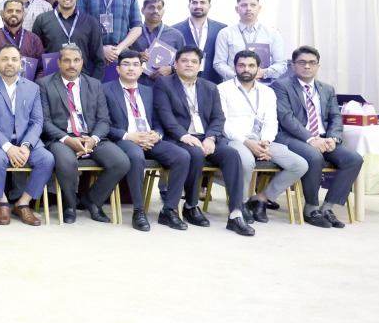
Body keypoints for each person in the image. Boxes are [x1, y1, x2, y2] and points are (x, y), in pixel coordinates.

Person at [153, 46, 251, 236]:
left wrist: (211, 138)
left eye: (194, 61)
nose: (189, 64)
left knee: (232, 154)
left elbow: (218, 118)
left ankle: (236, 214)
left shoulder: (210, 87)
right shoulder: (164, 84)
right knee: (195, 154)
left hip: (206, 137)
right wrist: (185, 136)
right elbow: (165, 116)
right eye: (184, 61)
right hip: (179, 138)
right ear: (175, 64)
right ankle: (190, 205)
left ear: (200, 66)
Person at [103, 50, 197, 231]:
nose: (131, 68)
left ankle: (169, 211)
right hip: (124, 139)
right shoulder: (105, 89)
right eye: (126, 64)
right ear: (118, 68)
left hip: (149, 138)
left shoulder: (150, 91)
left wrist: (157, 134)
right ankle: (139, 211)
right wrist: (128, 136)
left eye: (136, 65)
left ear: (141, 69)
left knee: (182, 156)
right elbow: (103, 123)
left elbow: (158, 120)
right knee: (136, 156)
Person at [273, 45, 363, 228]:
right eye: (302, 62)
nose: (307, 66)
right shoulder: (281, 86)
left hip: (323, 138)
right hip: (293, 137)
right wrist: (310, 139)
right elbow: (286, 118)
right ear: (293, 66)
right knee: (314, 157)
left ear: (318, 66)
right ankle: (311, 209)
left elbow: (335, 116)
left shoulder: (327, 89)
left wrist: (333, 138)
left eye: (312, 63)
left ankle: (327, 207)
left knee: (353, 159)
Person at [38, 44, 128, 224]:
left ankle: (93, 201)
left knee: (121, 162)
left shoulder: (94, 84)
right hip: (61, 138)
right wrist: (68, 139)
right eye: (67, 60)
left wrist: (93, 139)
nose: (72, 65)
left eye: (76, 60)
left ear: (82, 62)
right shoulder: (44, 84)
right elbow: (44, 121)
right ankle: (70, 205)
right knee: (66, 161)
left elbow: (104, 119)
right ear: (59, 62)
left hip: (91, 137)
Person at [218, 50, 307, 227]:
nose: (246, 69)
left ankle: (260, 199)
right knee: (246, 161)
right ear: (235, 67)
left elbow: (271, 122)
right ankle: (240, 204)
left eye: (251, 65)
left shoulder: (267, 92)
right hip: (235, 139)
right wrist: (247, 143)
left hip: (262, 141)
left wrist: (265, 141)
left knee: (299, 165)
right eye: (241, 65)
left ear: (258, 69)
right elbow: (222, 123)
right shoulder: (222, 89)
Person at [0, 45, 52, 226]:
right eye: (5, 59)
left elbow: (37, 121)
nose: (10, 63)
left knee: (47, 159)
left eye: (14, 59)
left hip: (25, 140)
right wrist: (8, 147)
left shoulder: (32, 88)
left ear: (20, 64)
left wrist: (26, 145)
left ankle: (22, 203)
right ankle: (2, 201)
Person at [32, 0, 105, 80]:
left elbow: (99, 60)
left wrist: (92, 86)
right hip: (51, 83)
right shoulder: (42, 20)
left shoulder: (90, 22)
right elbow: (36, 56)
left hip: (82, 82)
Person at [213, 0, 288, 82]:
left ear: (259, 8)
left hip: (265, 86)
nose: (248, 8)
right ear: (237, 9)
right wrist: (237, 76)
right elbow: (219, 63)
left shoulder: (273, 33)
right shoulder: (225, 33)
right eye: (244, 5)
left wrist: (264, 73)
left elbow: (281, 64)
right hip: (233, 86)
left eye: (253, 5)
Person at [171, 0, 227, 84]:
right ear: (189, 6)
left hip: (213, 82)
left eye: (202, 2)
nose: (198, 6)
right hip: (182, 83)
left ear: (209, 6)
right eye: (194, 3)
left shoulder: (222, 29)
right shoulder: (175, 30)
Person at [0, 0, 45, 80]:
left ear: (23, 15)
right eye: (10, 11)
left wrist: (32, 88)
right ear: (2, 13)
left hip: (27, 89)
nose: (14, 14)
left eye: (18, 11)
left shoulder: (34, 39)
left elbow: (41, 69)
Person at [131, 0, 186, 85]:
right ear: (142, 10)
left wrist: (171, 69)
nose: (155, 11)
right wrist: (136, 57)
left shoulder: (175, 35)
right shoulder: (133, 33)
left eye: (159, 8)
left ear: (163, 11)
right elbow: (123, 57)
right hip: (137, 85)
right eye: (151, 8)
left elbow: (185, 59)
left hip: (166, 86)